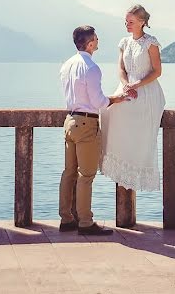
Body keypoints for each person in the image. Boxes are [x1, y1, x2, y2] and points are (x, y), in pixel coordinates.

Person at [59, 25, 135, 235]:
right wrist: (117, 99)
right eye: (96, 38)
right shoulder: (91, 68)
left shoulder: (67, 65)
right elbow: (99, 102)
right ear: (91, 43)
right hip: (86, 123)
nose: (99, 40)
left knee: (69, 173)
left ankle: (66, 219)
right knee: (86, 175)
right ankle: (85, 222)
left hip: (70, 121)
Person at [100, 4, 166, 192]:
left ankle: (136, 163)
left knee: (135, 122)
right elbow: (120, 68)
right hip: (127, 87)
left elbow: (157, 71)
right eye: (126, 21)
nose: (127, 25)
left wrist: (137, 85)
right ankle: (118, 164)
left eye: (131, 21)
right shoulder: (124, 42)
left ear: (142, 22)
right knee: (107, 112)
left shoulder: (150, 43)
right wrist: (126, 83)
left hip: (147, 89)